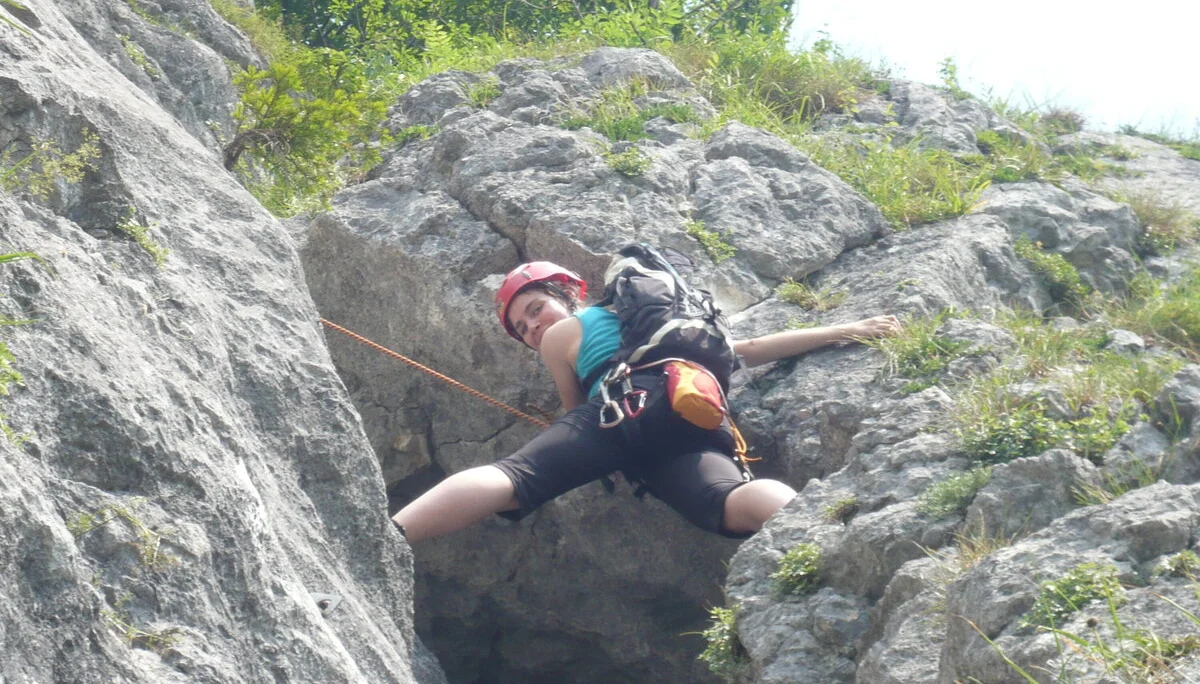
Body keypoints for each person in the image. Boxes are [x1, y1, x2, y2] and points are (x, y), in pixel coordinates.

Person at [392, 260, 901, 542]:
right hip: (695, 412)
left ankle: (391, 535)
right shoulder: (668, 325)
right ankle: (820, 532)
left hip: (623, 408)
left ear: (569, 296)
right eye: (523, 328)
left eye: (535, 309)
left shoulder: (564, 333)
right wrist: (847, 329)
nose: (533, 327)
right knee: (726, 501)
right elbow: (746, 350)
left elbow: (577, 414)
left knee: (517, 477)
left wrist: (598, 452)